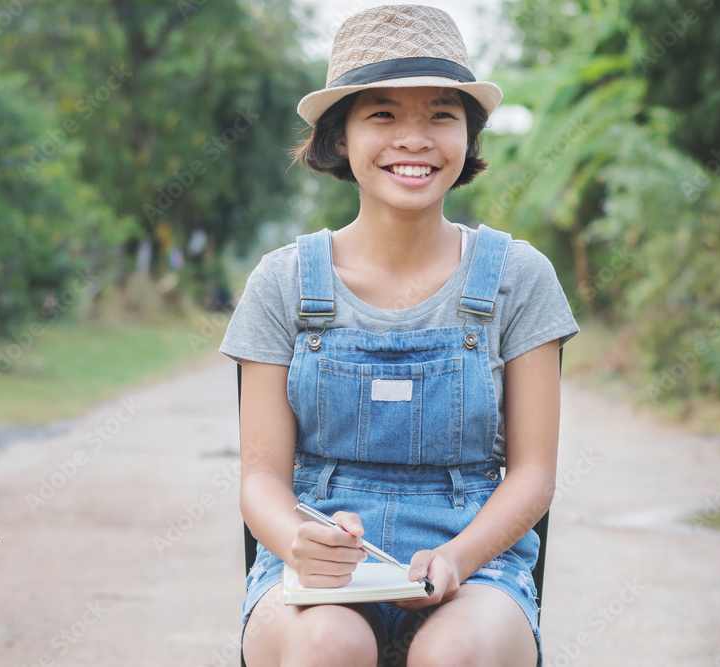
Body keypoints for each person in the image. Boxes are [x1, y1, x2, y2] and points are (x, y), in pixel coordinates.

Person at [219, 5, 579, 666]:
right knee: (329, 643)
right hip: (317, 574)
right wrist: (298, 538)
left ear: (468, 137)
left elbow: (533, 474)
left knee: (454, 653)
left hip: (475, 568)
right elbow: (260, 478)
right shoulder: (282, 283)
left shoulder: (520, 278)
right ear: (339, 137)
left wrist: (455, 556)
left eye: (441, 114)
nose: (414, 138)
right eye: (382, 114)